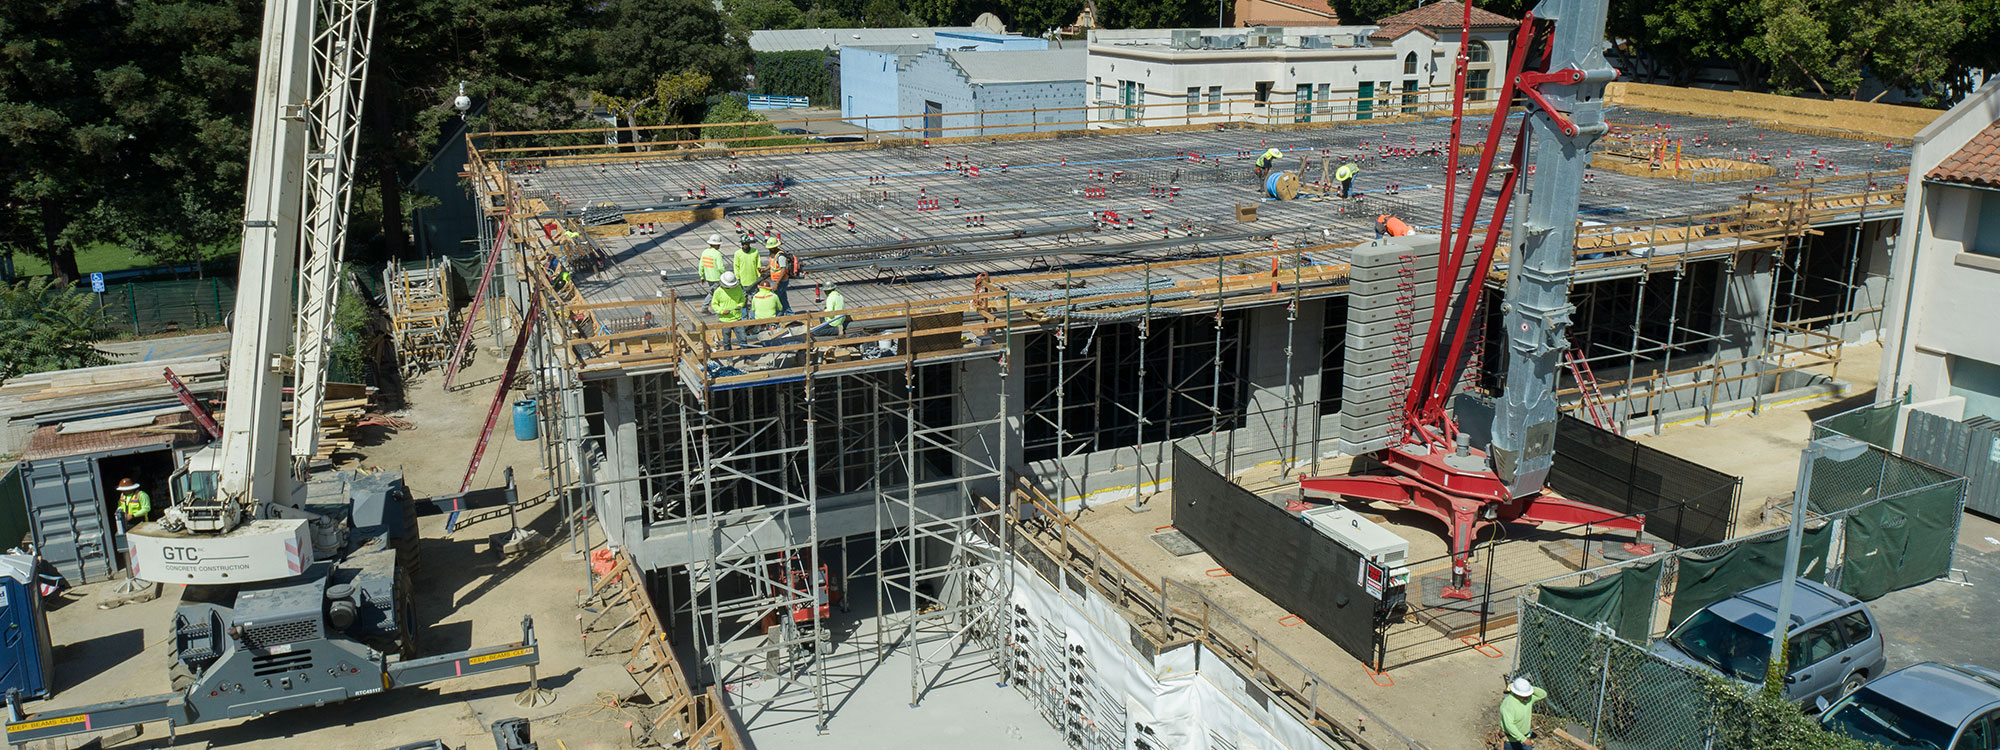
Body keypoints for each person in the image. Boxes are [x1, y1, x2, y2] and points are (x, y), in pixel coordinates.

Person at [1500, 677, 1546, 750]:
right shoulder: (1508, 704)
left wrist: (1529, 689)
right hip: (1511, 741)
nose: (1526, 698)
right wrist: (1523, 739)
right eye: (1523, 696)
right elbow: (1509, 726)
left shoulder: (1529, 699)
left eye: (1527, 694)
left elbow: (1543, 694)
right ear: (1515, 693)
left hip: (1526, 737)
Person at [710, 271, 748, 348]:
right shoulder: (718, 291)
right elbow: (714, 304)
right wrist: (722, 311)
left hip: (737, 318)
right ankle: (729, 358)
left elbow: (742, 299)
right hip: (725, 320)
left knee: (743, 338)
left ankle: (746, 357)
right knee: (726, 340)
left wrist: (740, 305)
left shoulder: (738, 288)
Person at [767, 244, 800, 315]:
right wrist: (765, 269)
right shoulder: (773, 255)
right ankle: (789, 313)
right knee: (783, 298)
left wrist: (776, 284)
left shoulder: (781, 257)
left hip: (781, 281)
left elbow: (783, 270)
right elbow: (771, 264)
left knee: (775, 298)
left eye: (770, 248)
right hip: (775, 280)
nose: (769, 250)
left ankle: (779, 315)